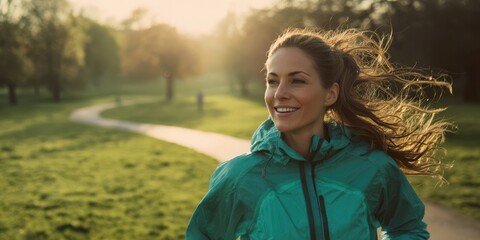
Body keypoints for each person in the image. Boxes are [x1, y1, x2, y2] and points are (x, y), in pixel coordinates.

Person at [186, 28, 453, 239]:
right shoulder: (241, 177)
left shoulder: (372, 167)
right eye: (272, 80)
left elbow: (407, 227)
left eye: (297, 80)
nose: (279, 94)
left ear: (330, 94)